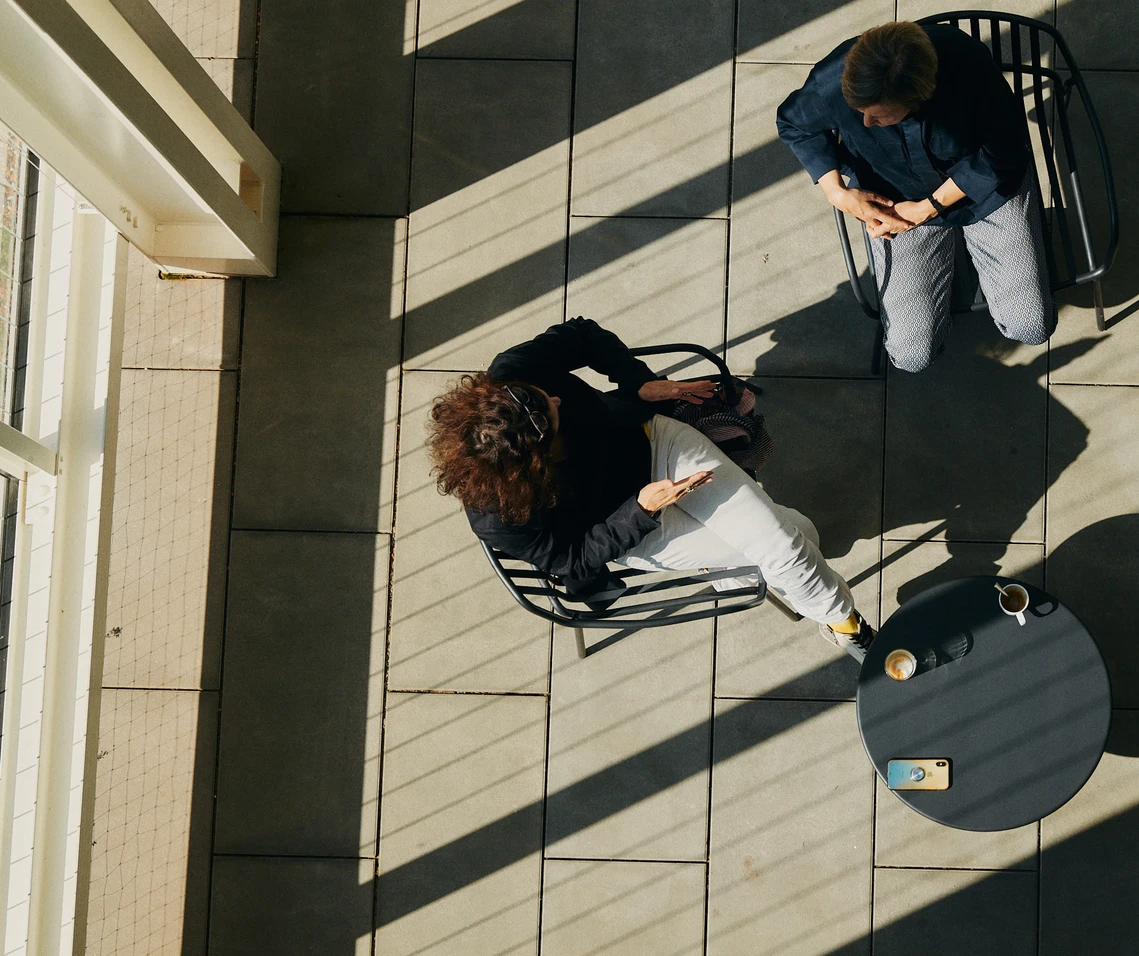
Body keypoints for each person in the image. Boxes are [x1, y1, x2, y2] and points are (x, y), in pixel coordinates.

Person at [425, 317, 875, 659]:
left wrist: (638, 381)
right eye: (553, 412)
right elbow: (569, 558)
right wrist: (641, 510)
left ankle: (845, 625)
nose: (558, 398)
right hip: (631, 525)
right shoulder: (499, 516)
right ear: (536, 461)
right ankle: (833, 616)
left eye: (545, 396)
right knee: (795, 533)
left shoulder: (514, 371)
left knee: (790, 543)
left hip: (656, 444)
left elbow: (582, 335)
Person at [777, 20, 1053, 372]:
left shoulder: (968, 67)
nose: (865, 124)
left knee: (1029, 326)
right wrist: (839, 193)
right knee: (911, 356)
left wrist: (929, 208)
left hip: (986, 192)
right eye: (859, 111)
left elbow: (1003, 151)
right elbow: (793, 124)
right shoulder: (832, 80)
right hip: (895, 200)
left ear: (919, 98)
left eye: (880, 116)